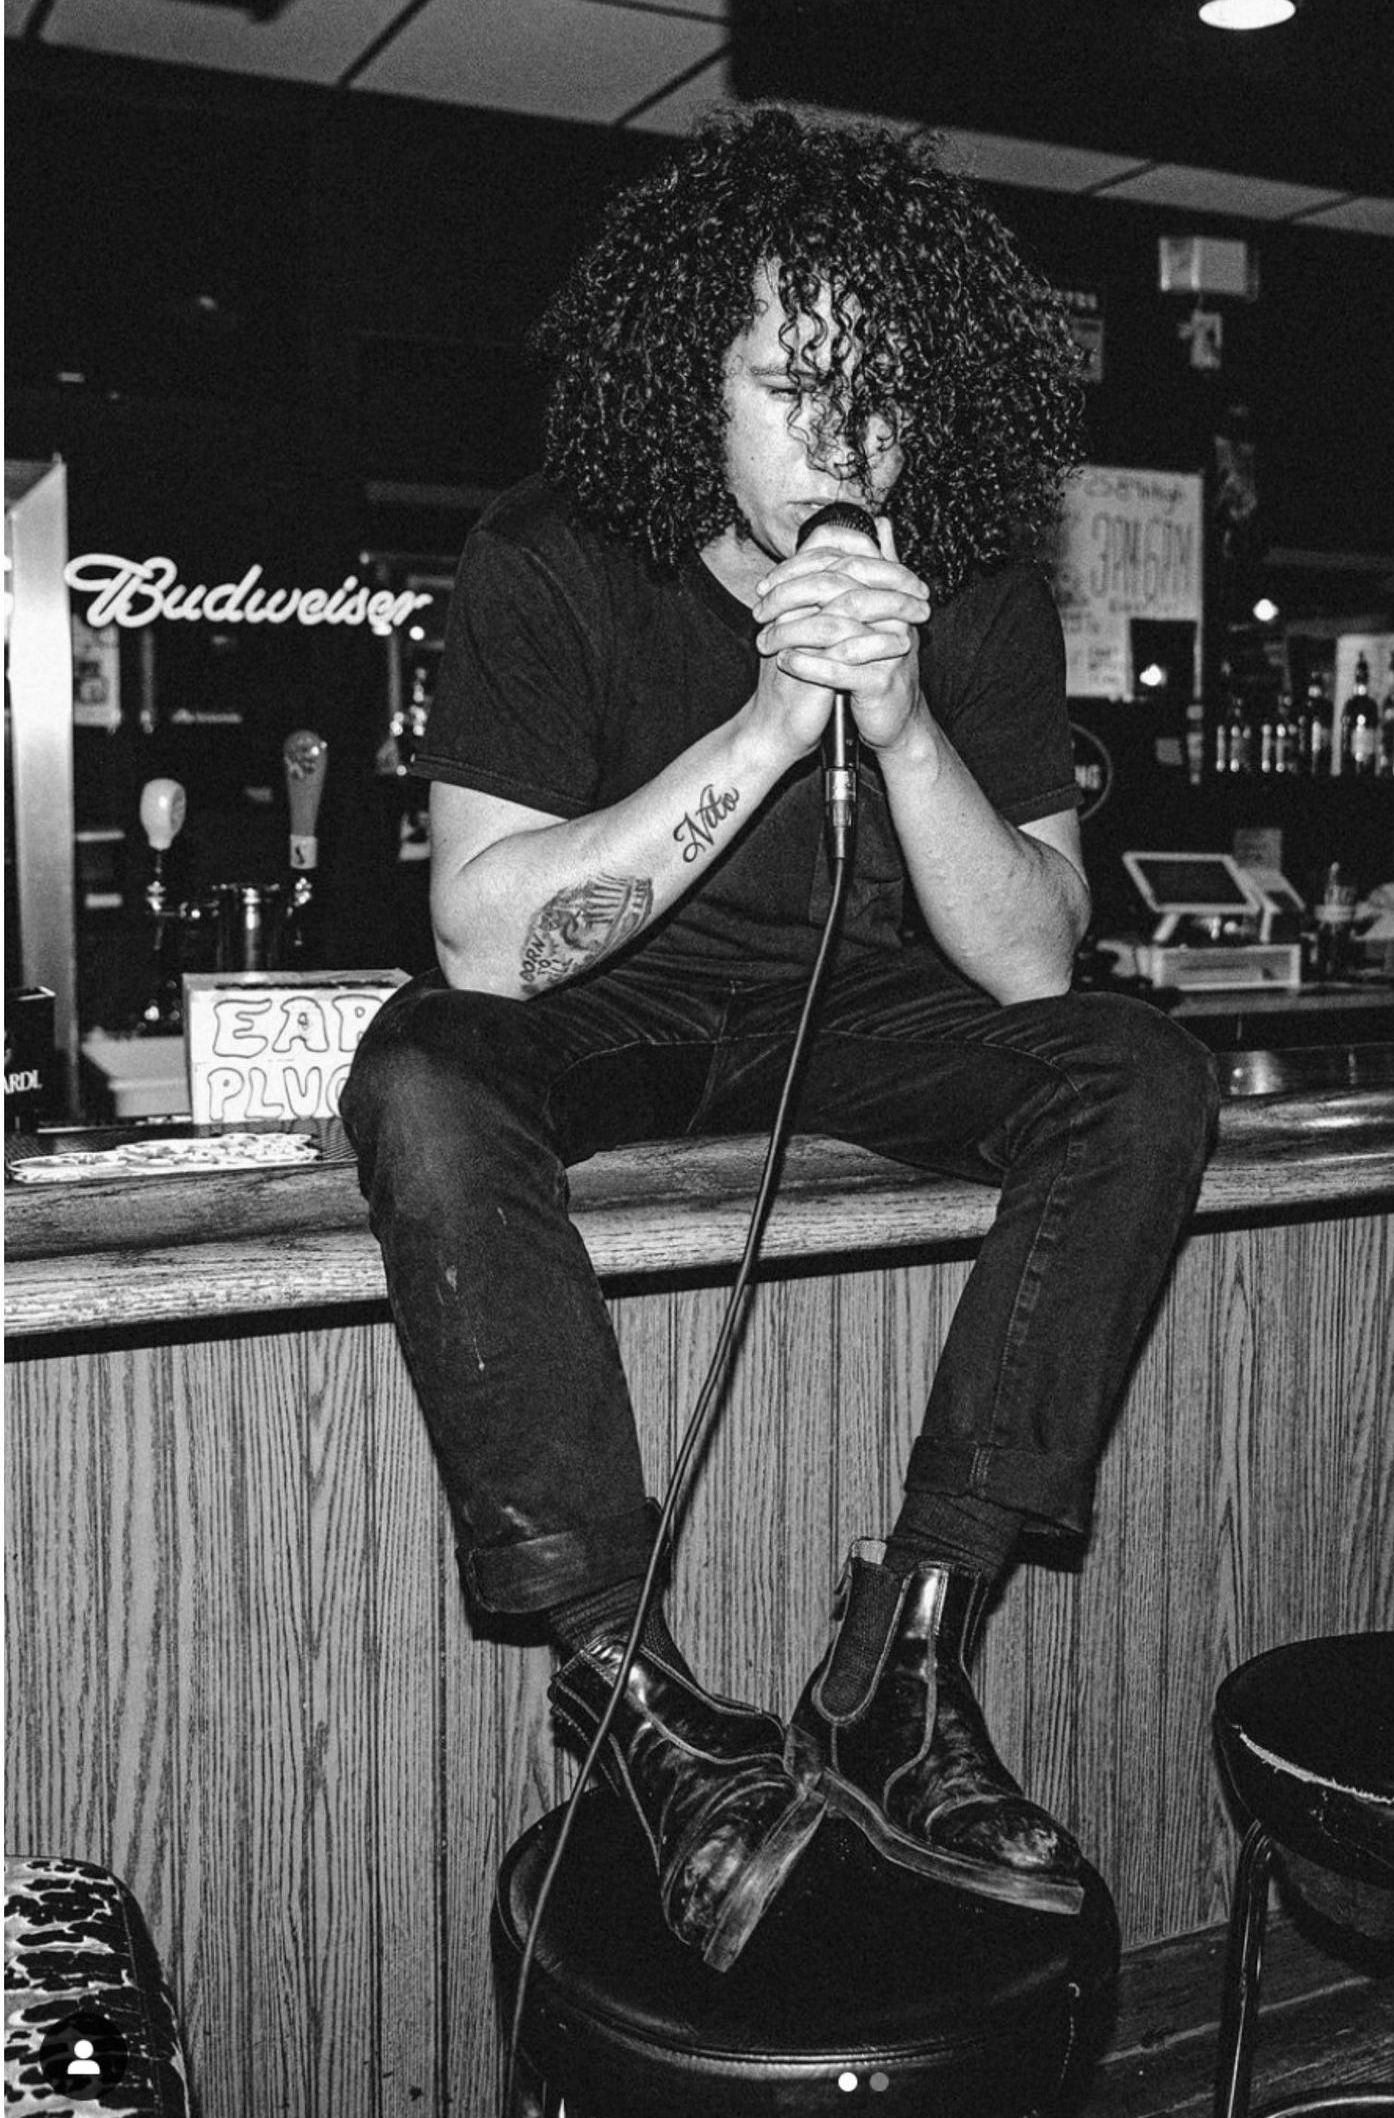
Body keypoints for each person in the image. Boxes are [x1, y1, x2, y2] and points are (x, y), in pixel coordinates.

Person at [341, 105, 1218, 1975]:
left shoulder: (967, 582)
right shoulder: (547, 556)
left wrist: (900, 728)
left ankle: (906, 1655)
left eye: (884, 392)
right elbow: (487, 937)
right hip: (618, 1008)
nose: (844, 440)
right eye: (792, 384)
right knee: (419, 1072)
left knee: (1143, 1071)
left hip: (876, 1013)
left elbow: (1041, 959)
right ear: (688, 385)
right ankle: (631, 1694)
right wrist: (764, 723)